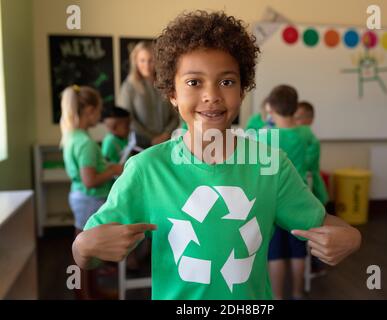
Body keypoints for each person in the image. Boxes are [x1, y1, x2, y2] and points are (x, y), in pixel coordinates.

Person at [72, 11, 361, 300]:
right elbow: (86, 253)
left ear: (243, 90)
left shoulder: (271, 166)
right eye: (194, 82)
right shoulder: (146, 170)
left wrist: (353, 237)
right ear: (172, 93)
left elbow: (321, 223)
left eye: (227, 82)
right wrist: (84, 248)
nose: (212, 95)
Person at [60, 85, 123, 299]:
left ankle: (89, 290)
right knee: (83, 252)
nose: (100, 114)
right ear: (88, 111)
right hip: (88, 199)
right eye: (99, 110)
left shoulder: (74, 136)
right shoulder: (86, 143)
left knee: (85, 249)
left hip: (80, 198)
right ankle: (82, 293)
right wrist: (114, 169)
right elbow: (90, 180)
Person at [255, 85, 315, 299]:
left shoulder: (264, 136)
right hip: (300, 198)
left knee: (276, 253)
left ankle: (278, 297)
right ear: (295, 107)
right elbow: (311, 160)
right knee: (299, 250)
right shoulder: (305, 132)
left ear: (270, 107)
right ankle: (298, 293)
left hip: (273, 199)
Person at [118, 41, 179, 148]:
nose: (146, 65)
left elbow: (175, 114)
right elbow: (127, 119)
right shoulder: (129, 87)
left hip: (166, 143)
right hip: (139, 146)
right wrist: (151, 138)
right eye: (142, 60)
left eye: (151, 60)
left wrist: (165, 134)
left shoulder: (165, 84)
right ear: (135, 62)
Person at [294, 101, 329, 206]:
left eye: (298, 118)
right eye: (294, 117)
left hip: (312, 189)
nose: (295, 121)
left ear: (310, 120)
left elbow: (305, 164)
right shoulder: (297, 139)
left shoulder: (312, 141)